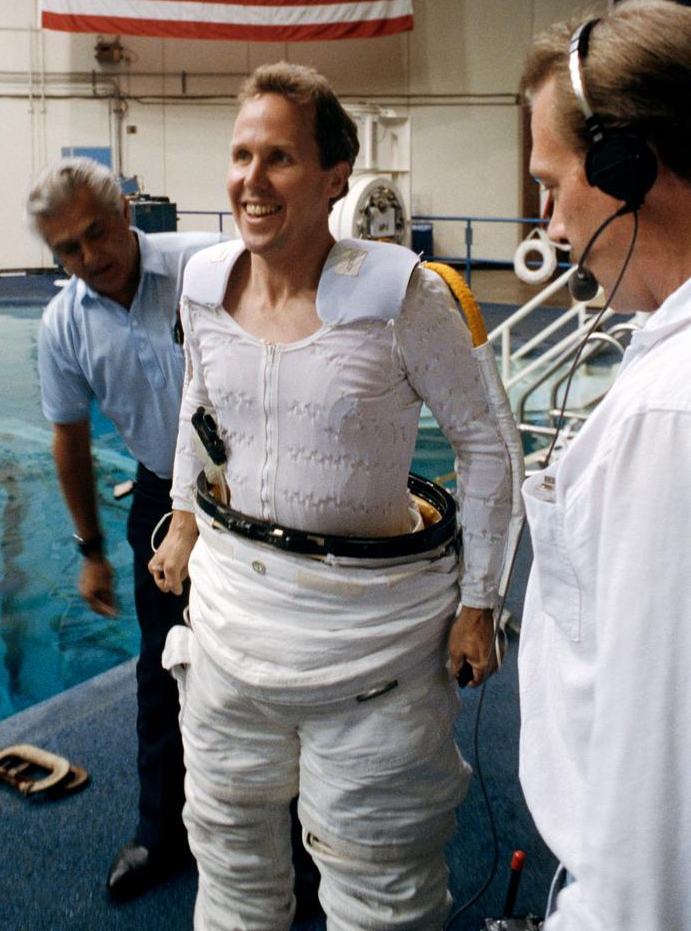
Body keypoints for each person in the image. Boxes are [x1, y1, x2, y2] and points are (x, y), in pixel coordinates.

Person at [153, 63, 517, 930]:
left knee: (378, 887)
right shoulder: (205, 285)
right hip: (235, 625)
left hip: (374, 648)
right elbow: (199, 406)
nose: (252, 178)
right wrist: (185, 516)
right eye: (242, 154)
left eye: (279, 156)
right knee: (229, 852)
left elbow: (488, 446)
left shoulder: (406, 299)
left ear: (333, 177)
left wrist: (480, 604)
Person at [518, 0, 691, 929]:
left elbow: (656, 816)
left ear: (628, 166)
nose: (548, 226)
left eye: (552, 186)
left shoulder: (669, 419)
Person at [26, 157, 220, 900]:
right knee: (160, 669)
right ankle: (161, 835)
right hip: (155, 494)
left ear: (128, 211)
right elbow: (68, 442)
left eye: (97, 233)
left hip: (254, 492)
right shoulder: (62, 326)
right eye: (67, 249)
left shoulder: (209, 267)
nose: (88, 259)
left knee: (277, 659)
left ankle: (293, 837)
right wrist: (92, 553)